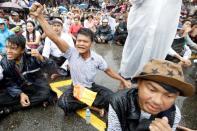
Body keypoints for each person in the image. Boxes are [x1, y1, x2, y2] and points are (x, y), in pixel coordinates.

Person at [29, 2, 131, 115]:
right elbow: (53, 37)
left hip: (91, 87)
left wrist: (122, 80)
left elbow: (109, 71)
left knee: (113, 99)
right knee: (63, 103)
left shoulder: (97, 58)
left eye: (85, 41)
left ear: (91, 43)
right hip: (76, 89)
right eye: (79, 41)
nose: (81, 44)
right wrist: (39, 16)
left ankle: (90, 103)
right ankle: (93, 105)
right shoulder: (71, 52)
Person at [108, 59, 195, 131]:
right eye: (152, 90)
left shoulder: (174, 114)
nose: (157, 101)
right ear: (138, 84)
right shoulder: (119, 102)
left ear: (176, 96)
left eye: (169, 96)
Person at [119, 0, 183, 80]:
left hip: (158, 33)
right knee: (130, 66)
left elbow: (165, 46)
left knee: (147, 75)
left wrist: (180, 57)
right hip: (141, 30)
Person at [0, 34, 54, 117]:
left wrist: (41, 58)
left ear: (22, 50)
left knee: (45, 93)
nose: (8, 51)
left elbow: (52, 69)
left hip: (34, 86)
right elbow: (9, 83)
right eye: (7, 47)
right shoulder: (4, 62)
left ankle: (10, 109)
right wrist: (20, 94)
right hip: (18, 87)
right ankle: (34, 100)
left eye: (13, 48)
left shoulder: (32, 57)